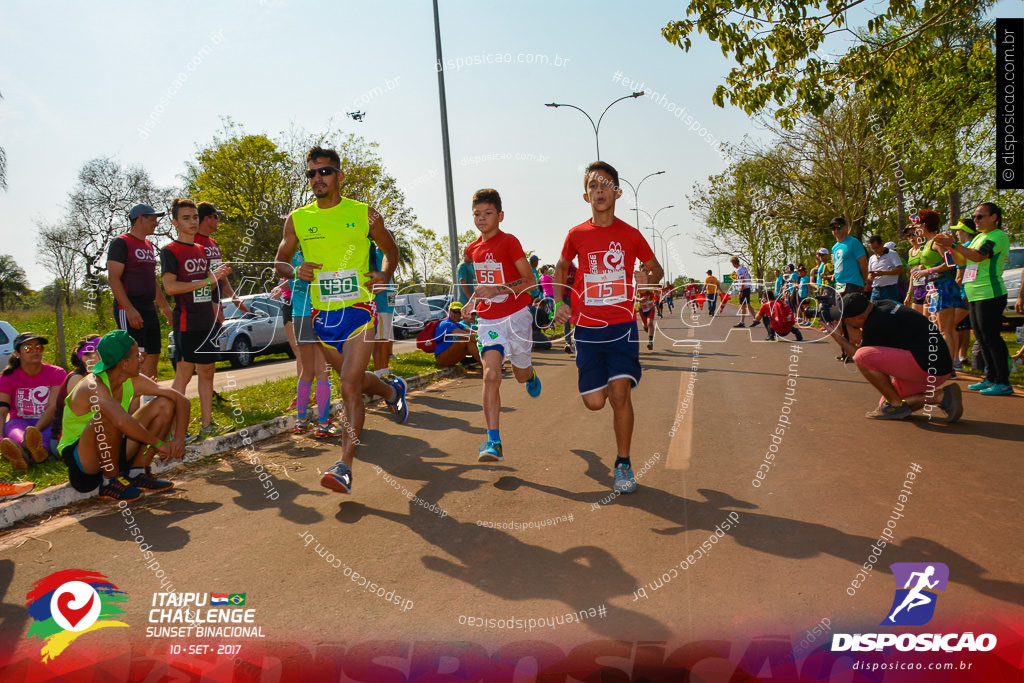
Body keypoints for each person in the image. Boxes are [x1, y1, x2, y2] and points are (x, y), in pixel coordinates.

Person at [274, 146, 407, 494]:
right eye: (311, 174)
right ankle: (392, 390)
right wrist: (294, 271)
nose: (317, 179)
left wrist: (383, 273)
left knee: (347, 387)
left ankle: (344, 466)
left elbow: (392, 250)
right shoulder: (298, 219)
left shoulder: (365, 214)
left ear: (339, 176)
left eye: (325, 172)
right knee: (356, 380)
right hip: (321, 317)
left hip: (360, 311)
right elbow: (280, 262)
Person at [553, 161, 663, 494]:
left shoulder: (630, 234)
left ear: (617, 192)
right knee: (594, 402)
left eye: (605, 185)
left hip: (622, 326)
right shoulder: (576, 234)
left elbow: (655, 269)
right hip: (587, 327)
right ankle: (598, 390)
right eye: (593, 187)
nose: (599, 191)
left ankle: (623, 464)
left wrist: (647, 278)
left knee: (620, 393)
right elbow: (561, 267)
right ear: (585, 195)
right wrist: (560, 302)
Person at [59, 330, 189, 501]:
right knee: (107, 416)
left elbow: (180, 400)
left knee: (165, 403)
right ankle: (110, 482)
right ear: (123, 363)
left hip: (114, 445)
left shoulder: (131, 378)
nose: (142, 358)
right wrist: (158, 444)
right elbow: (120, 420)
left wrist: (179, 438)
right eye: (137, 356)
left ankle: (138, 472)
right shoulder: (92, 385)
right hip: (83, 460)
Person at [463, 188, 541, 463]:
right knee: (491, 376)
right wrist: (471, 302)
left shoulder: (509, 243)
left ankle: (530, 375)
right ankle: (493, 441)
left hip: (517, 316)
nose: (482, 219)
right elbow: (482, 285)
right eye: (477, 214)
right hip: (489, 319)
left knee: (520, 375)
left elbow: (529, 281)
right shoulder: (472, 249)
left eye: (488, 213)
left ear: (500, 215)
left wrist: (500, 289)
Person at [160, 198, 232, 441]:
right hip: (185, 322)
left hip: (206, 321)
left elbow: (209, 285)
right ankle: (173, 430)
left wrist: (218, 278)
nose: (192, 222)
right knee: (183, 375)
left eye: (194, 217)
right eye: (186, 218)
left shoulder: (202, 249)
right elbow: (170, 287)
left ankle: (207, 424)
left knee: (208, 371)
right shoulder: (169, 250)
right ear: (175, 222)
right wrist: (207, 281)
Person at [826, 293, 960, 422]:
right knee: (886, 404)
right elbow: (863, 340)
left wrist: (838, 337)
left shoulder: (875, 323)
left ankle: (897, 404)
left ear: (859, 318)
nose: (842, 322)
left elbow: (859, 354)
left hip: (926, 367)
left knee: (862, 357)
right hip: (937, 365)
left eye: (844, 319)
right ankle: (940, 397)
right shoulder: (883, 305)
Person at [934, 201, 1014, 396]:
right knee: (980, 336)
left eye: (980, 216)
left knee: (991, 337)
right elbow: (963, 261)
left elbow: (978, 257)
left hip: (990, 293)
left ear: (994, 217)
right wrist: (949, 248)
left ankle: (1003, 381)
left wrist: (953, 244)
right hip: (974, 293)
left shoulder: (998, 236)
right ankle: (991, 377)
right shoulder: (979, 237)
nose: (976, 220)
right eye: (975, 217)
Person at [107, 204, 174, 381]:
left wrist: (165, 307)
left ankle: (150, 402)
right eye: (152, 219)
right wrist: (128, 308)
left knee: (153, 354)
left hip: (148, 307)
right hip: (129, 308)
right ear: (140, 219)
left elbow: (152, 279)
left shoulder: (148, 245)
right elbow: (113, 278)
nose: (156, 223)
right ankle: (132, 404)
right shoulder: (121, 243)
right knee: (136, 357)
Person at [912, 209, 969, 369]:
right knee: (940, 328)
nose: (916, 227)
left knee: (946, 330)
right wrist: (922, 267)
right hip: (935, 287)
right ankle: (946, 363)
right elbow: (935, 262)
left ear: (925, 225)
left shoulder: (937, 241)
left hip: (944, 287)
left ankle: (948, 366)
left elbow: (950, 263)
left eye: (918, 224)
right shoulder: (928, 242)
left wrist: (926, 271)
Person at [286, 246, 333, 437]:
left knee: (306, 370)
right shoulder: (317, 251)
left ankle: (301, 421)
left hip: (299, 316)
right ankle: (323, 424)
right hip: (320, 313)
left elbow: (288, 283)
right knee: (323, 370)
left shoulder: (289, 257)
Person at [0, 333, 66, 469]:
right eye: (28, 348)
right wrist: (0, 439)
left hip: (48, 421)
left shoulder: (56, 373)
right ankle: (29, 451)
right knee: (11, 427)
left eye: (39, 347)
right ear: (17, 353)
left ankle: (24, 452)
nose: (35, 351)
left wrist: (34, 432)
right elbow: (2, 412)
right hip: (20, 422)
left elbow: (53, 407)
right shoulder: (7, 377)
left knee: (49, 432)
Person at [51, 335, 101, 454]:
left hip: (87, 435)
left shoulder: (99, 375)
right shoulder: (76, 378)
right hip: (64, 442)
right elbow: (86, 412)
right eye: (101, 351)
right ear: (85, 358)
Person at [369, 239, 399, 381]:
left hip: (389, 300)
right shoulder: (374, 253)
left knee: (385, 337)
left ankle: (384, 370)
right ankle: (379, 372)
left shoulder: (389, 256)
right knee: (379, 339)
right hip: (380, 300)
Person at [429, 302, 481, 367]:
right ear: (449, 311)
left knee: (471, 340)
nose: (457, 314)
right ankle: (485, 366)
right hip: (442, 358)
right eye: (454, 311)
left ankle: (486, 364)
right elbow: (467, 336)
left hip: (451, 356)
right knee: (467, 340)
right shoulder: (446, 324)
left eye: (459, 312)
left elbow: (473, 331)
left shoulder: (456, 324)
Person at [866, 235, 905, 302]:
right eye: (873, 249)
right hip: (876, 290)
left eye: (877, 248)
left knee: (890, 310)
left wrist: (883, 273)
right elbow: (869, 275)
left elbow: (900, 270)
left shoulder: (892, 254)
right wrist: (871, 276)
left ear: (882, 244)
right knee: (873, 311)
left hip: (889, 289)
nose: (875, 251)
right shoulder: (872, 258)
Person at [730, 256, 754, 327]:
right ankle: (756, 319)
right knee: (748, 305)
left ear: (734, 263)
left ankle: (742, 322)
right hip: (747, 288)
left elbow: (743, 280)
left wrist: (741, 291)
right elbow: (749, 277)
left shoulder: (738, 270)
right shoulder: (744, 267)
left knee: (743, 306)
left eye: (732, 263)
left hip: (743, 289)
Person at [637, 285, 657, 350]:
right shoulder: (638, 283)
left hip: (651, 307)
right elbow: (633, 295)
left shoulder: (652, 282)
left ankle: (650, 342)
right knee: (646, 325)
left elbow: (657, 292)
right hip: (642, 308)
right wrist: (639, 299)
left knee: (650, 323)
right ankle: (644, 325)